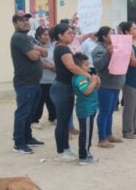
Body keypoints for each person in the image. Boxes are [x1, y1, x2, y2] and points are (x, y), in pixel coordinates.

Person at [49, 23, 91, 161]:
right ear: (60, 36)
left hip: (64, 87)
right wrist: (88, 76)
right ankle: (62, 151)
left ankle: (66, 149)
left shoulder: (62, 48)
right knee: (62, 121)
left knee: (65, 120)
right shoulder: (63, 49)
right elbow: (72, 67)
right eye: (68, 33)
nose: (72, 35)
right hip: (62, 88)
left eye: (73, 33)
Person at [10, 13, 48, 154]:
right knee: (23, 113)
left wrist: (36, 49)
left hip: (34, 82)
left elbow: (45, 53)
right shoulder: (19, 37)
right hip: (25, 83)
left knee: (30, 113)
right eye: (22, 20)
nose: (26, 22)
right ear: (15, 23)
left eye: (27, 20)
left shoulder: (28, 37)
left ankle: (28, 137)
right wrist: (36, 50)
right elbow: (34, 56)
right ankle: (19, 143)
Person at [92, 26, 126, 148]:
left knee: (110, 111)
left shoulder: (116, 46)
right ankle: (101, 138)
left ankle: (109, 134)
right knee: (104, 111)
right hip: (105, 84)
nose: (114, 36)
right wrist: (108, 53)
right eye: (111, 34)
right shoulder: (98, 49)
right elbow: (98, 65)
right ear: (104, 37)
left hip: (116, 83)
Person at [72, 52, 100, 165]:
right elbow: (87, 91)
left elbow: (95, 88)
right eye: (86, 65)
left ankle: (87, 153)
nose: (88, 67)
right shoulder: (79, 78)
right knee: (86, 134)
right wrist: (93, 82)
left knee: (88, 133)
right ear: (78, 67)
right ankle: (83, 157)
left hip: (91, 108)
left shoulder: (85, 76)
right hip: (85, 109)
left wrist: (97, 81)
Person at [32, 26, 56, 128]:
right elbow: (38, 60)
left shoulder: (53, 46)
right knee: (39, 102)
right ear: (38, 36)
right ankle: (34, 120)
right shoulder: (35, 46)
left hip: (53, 79)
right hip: (40, 80)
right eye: (45, 35)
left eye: (48, 34)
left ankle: (53, 117)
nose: (47, 37)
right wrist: (51, 67)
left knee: (52, 100)